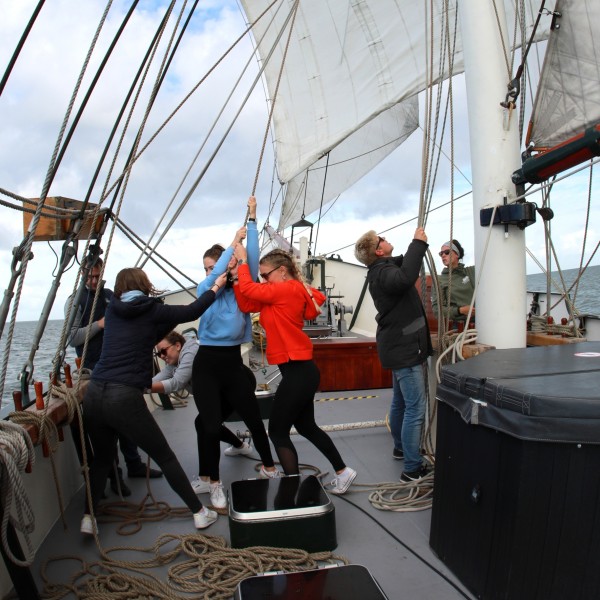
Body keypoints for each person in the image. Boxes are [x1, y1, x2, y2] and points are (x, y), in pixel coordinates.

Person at [79, 267, 226, 535]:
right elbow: (192, 311)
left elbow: (145, 330)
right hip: (123, 396)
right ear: (144, 284)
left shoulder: (112, 310)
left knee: (101, 460)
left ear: (120, 288)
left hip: (94, 393)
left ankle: (88, 518)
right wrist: (216, 287)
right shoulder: (151, 309)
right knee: (164, 456)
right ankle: (199, 513)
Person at [232, 246, 357, 495]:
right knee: (306, 426)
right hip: (300, 371)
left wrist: (243, 261)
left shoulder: (287, 289)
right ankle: (343, 471)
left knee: (277, 431)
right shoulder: (281, 293)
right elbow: (246, 302)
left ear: (282, 272)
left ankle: (291, 486)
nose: (263, 280)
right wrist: (237, 276)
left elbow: (250, 289)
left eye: (265, 275)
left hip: (298, 371)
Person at [191, 196, 279, 511]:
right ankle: (212, 483)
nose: (209, 273)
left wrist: (252, 221)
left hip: (232, 364)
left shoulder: (242, 289)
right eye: (206, 269)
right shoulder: (206, 292)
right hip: (206, 366)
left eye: (214, 267)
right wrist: (232, 243)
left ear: (228, 265)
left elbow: (251, 259)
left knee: (254, 419)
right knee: (210, 424)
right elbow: (214, 279)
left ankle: (269, 467)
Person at [65, 259, 162, 499]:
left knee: (127, 421)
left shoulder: (110, 296)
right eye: (90, 277)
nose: (95, 281)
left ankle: (134, 464)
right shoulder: (75, 301)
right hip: (92, 371)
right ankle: (115, 476)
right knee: (105, 429)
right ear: (82, 274)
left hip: (121, 367)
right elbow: (72, 338)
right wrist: (99, 324)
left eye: (98, 276)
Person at [354, 229, 432, 482]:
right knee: (415, 408)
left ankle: (401, 448)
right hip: (406, 351)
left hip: (398, 348)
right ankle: (412, 468)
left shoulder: (380, 270)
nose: (386, 239)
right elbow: (405, 277)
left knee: (400, 403)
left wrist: (413, 250)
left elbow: (401, 266)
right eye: (382, 239)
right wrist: (418, 244)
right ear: (378, 250)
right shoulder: (385, 274)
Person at [151, 330, 253, 495]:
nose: (161, 356)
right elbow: (162, 376)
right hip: (222, 390)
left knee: (204, 424)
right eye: (158, 353)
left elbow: (177, 382)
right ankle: (241, 446)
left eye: (163, 351)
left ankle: (207, 479)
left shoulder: (191, 353)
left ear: (177, 345)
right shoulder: (175, 361)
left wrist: (146, 388)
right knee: (205, 423)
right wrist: (137, 384)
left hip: (238, 385)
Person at [432, 239, 475, 328]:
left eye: (447, 252)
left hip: (480, 321)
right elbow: (437, 311)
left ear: (457, 254)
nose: (443, 255)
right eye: (441, 253)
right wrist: (460, 310)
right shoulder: (439, 280)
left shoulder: (470, 272)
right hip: (458, 325)